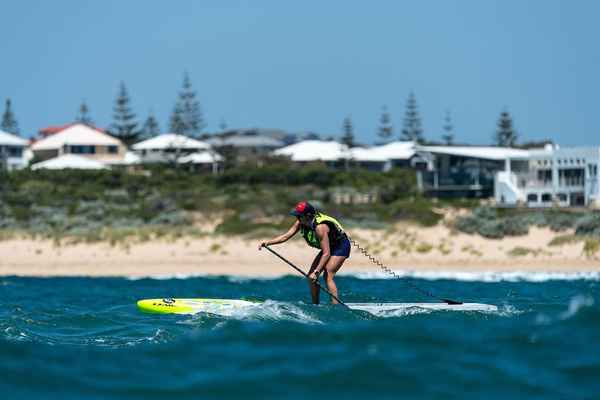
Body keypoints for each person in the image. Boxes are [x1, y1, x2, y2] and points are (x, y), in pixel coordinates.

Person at [259, 201, 350, 304]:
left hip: (340, 246)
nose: (297, 218)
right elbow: (285, 236)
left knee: (327, 275)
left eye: (299, 216)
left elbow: (326, 253)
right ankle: (315, 304)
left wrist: (316, 272)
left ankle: (335, 306)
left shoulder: (320, 227)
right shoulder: (301, 222)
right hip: (329, 247)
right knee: (310, 277)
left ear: (307, 216)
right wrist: (268, 242)